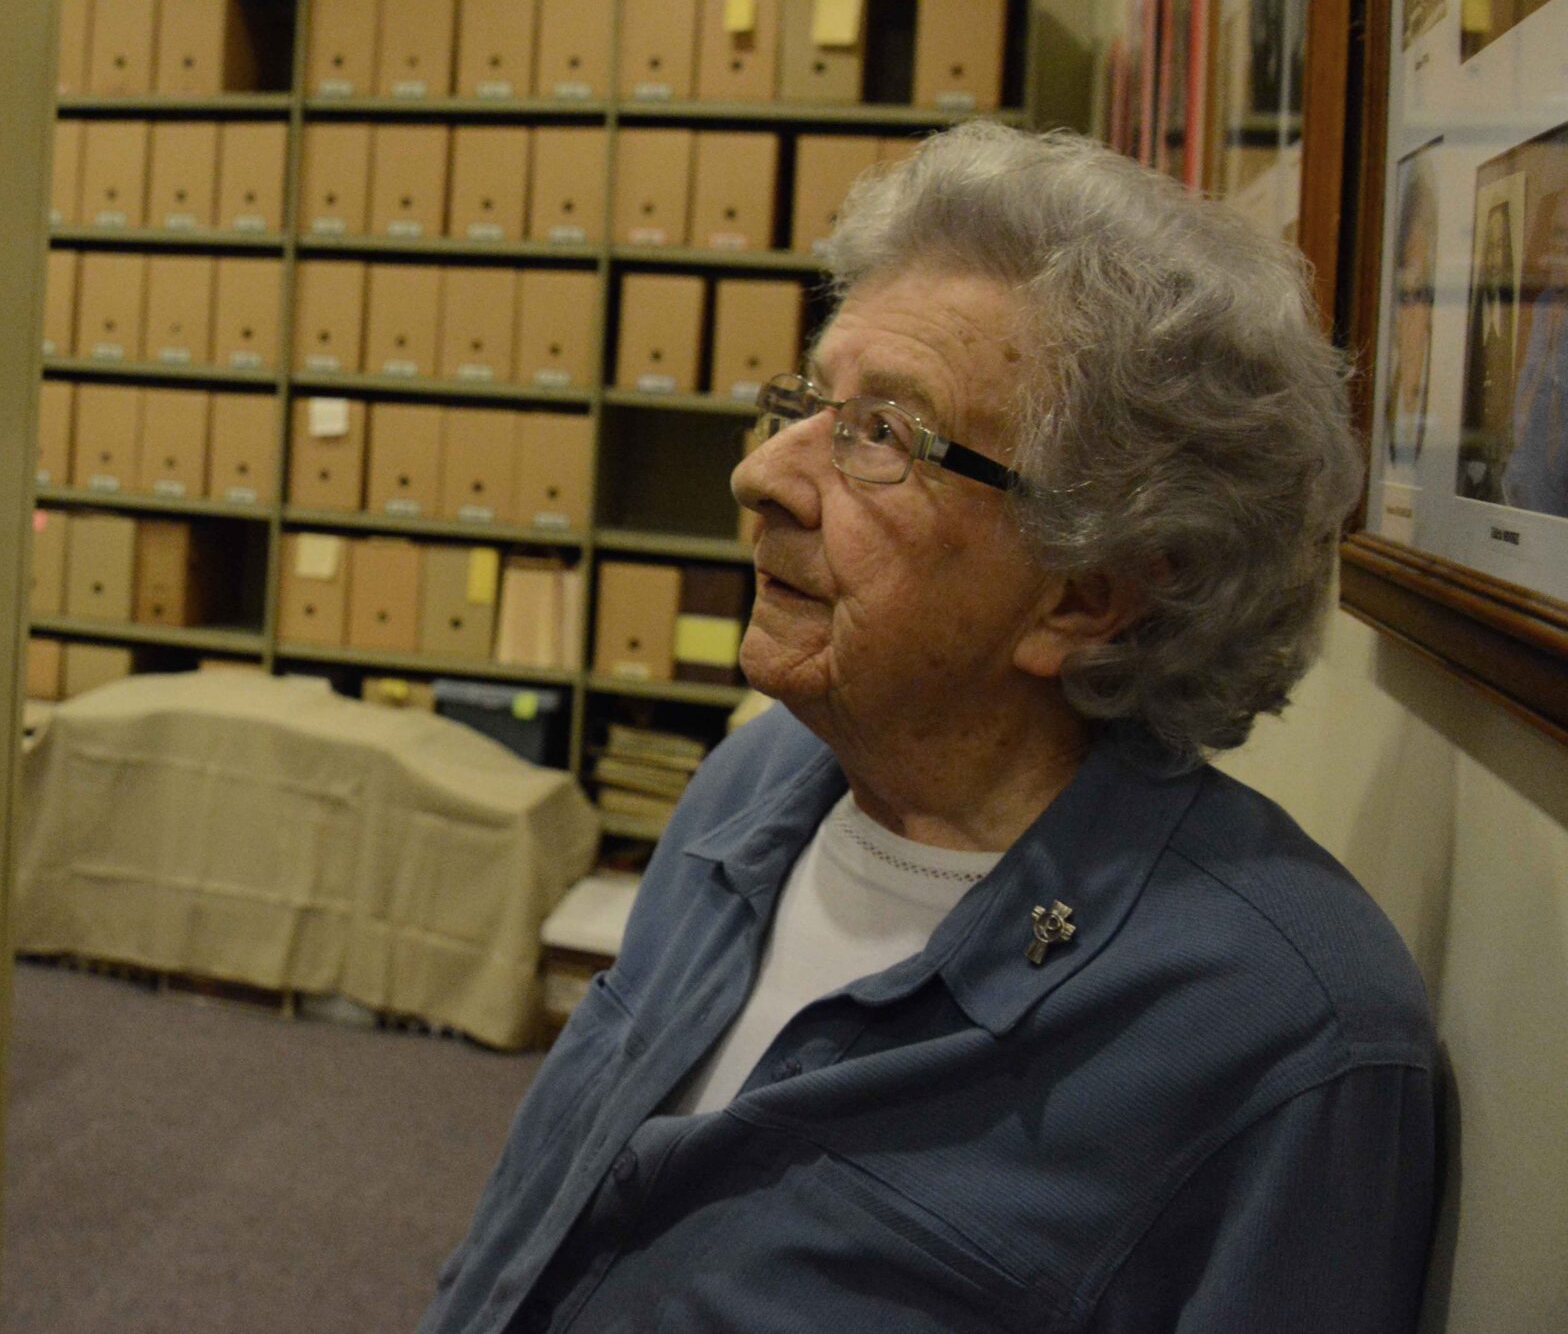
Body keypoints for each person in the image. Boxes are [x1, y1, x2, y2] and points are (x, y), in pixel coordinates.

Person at [419, 123, 1437, 1333]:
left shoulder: (1286, 1038)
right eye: (808, 402)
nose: (763, 474)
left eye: (883, 435)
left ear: (1085, 594)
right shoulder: (761, 777)